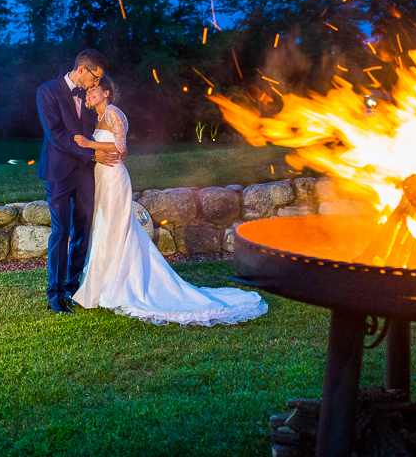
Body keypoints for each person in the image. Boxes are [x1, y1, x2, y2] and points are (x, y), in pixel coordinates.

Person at [70, 75, 268, 326]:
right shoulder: (99, 116)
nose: (89, 93)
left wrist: (89, 144)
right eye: (88, 90)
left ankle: (119, 284)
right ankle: (100, 285)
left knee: (115, 229)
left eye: (94, 89)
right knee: (105, 228)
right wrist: (95, 151)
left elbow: (120, 147)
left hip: (113, 178)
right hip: (102, 176)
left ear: (107, 92)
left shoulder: (113, 112)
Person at [36, 49, 125, 315]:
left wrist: (110, 146)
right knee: (61, 231)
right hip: (59, 172)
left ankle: (74, 286)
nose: (97, 83)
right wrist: (91, 154)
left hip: (87, 173)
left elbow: (100, 125)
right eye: (95, 77)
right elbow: (56, 134)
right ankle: (56, 295)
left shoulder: (90, 95)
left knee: (83, 231)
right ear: (83, 70)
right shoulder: (47, 91)